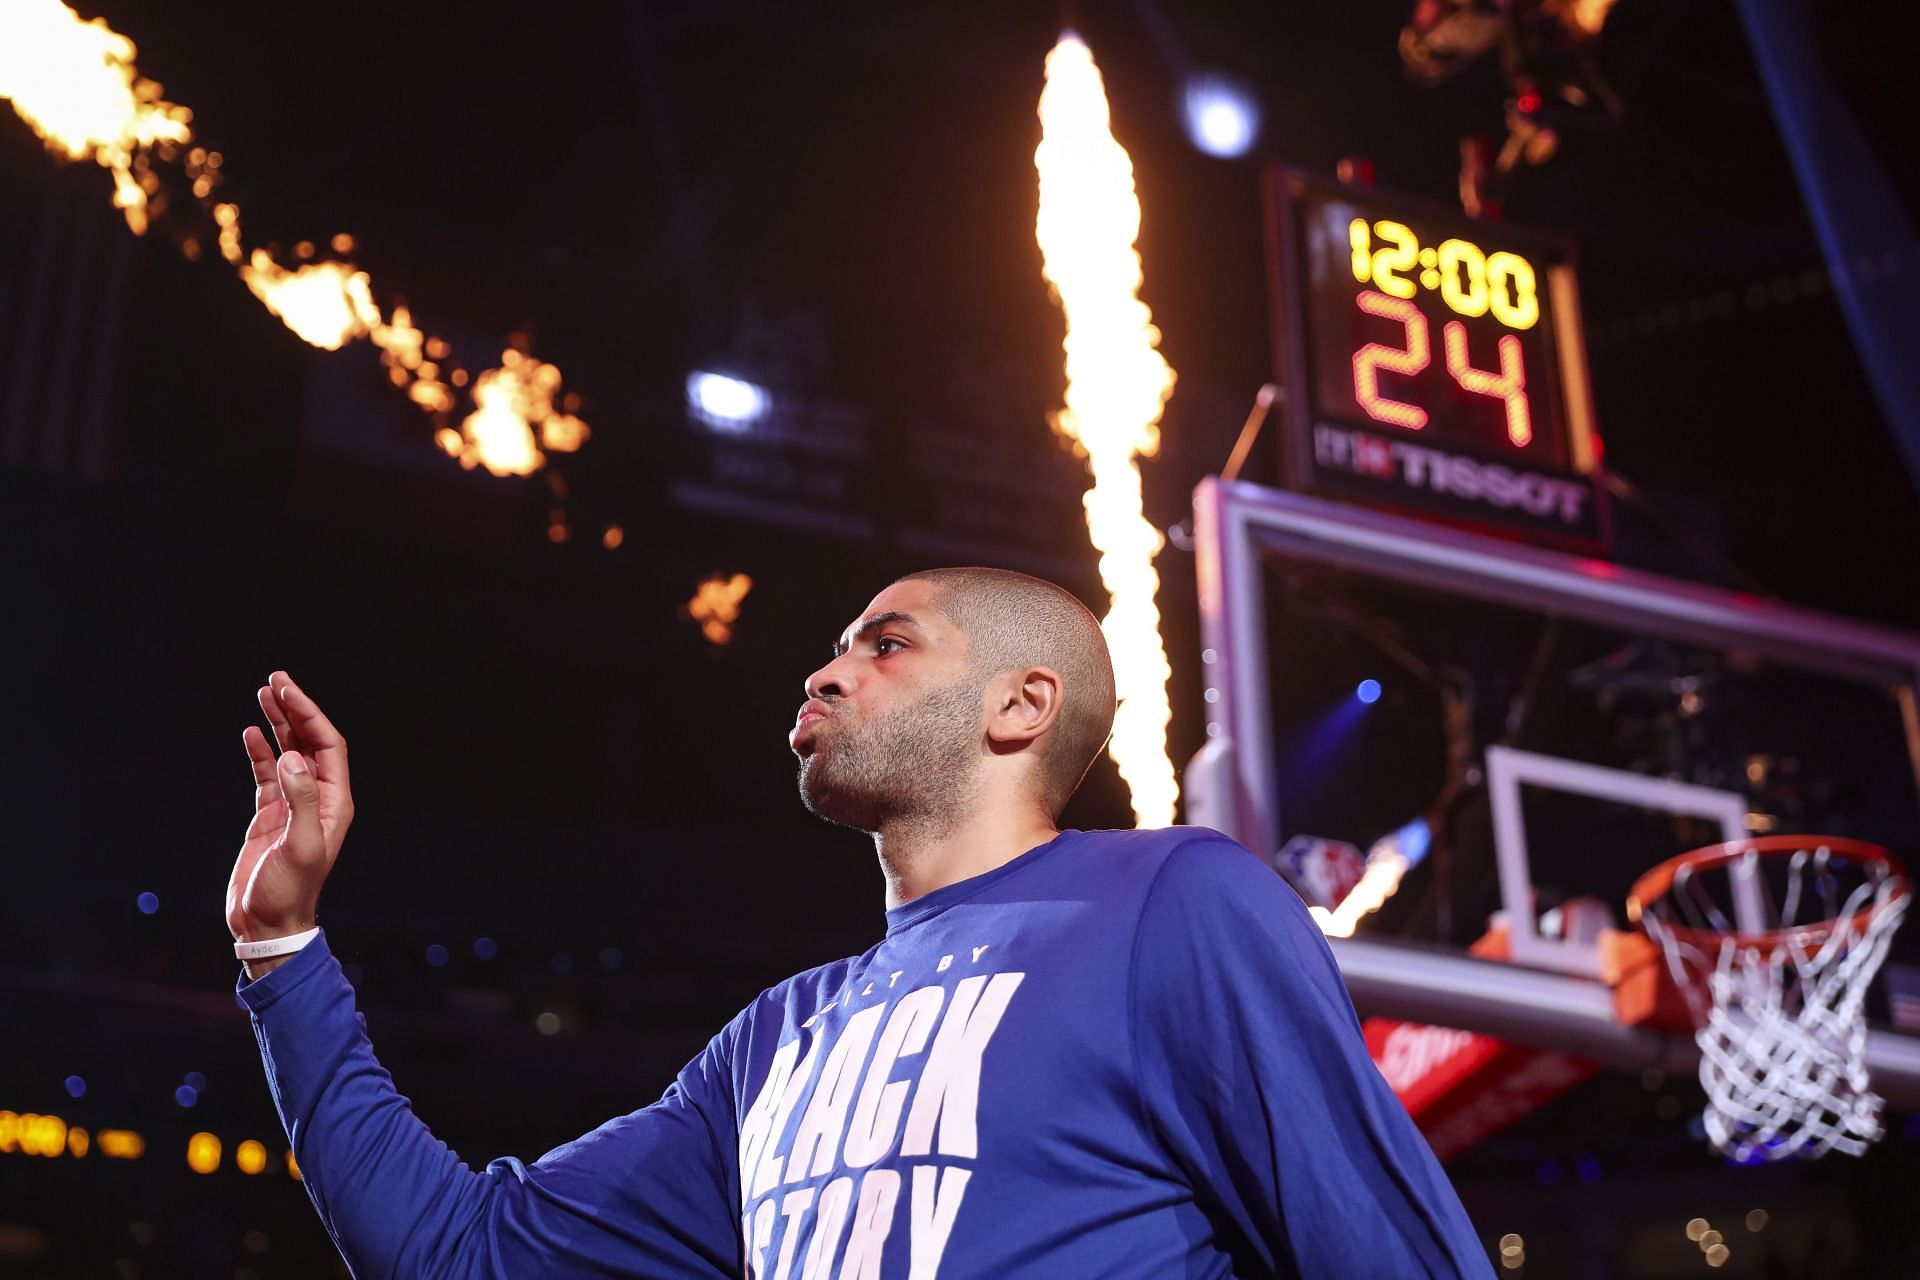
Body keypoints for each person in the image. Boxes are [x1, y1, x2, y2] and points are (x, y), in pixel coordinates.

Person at [229, 567, 1493, 1279]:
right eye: (835, 647)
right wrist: (282, 947)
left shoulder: (1174, 900)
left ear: (1021, 704)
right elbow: (460, 1254)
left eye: (885, 643)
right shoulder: (776, 1038)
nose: (824, 670)